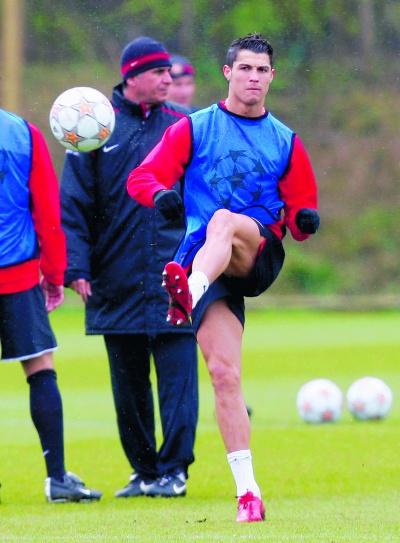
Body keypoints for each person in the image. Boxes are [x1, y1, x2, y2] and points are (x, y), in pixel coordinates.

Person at [127, 33, 320, 521]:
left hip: (257, 252)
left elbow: (301, 210)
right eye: (245, 68)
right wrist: (162, 196)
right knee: (223, 375)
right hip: (206, 262)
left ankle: (187, 293)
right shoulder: (195, 129)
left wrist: (303, 220)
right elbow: (141, 178)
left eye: (262, 70)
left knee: (224, 220)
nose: (254, 77)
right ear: (228, 73)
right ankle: (248, 493)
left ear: (272, 77)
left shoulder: (285, 140)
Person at [60, 36, 199, 499]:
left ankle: (174, 471)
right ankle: (144, 472)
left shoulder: (184, 124)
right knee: (128, 387)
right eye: (159, 72)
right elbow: (74, 204)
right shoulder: (95, 128)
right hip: (114, 277)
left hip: (176, 274)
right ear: (132, 76)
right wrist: (76, 265)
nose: (168, 79)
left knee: (179, 381)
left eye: (170, 72)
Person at [0, 108, 102, 503]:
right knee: (40, 367)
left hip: (18, 272)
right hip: (16, 273)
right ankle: (57, 478)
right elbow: (47, 210)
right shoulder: (23, 134)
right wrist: (54, 273)